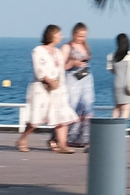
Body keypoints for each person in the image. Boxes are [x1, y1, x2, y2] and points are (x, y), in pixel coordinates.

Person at [20, 25, 75, 153]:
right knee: (37, 117)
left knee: (62, 115)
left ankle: (62, 144)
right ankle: (23, 139)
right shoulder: (38, 51)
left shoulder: (58, 52)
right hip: (41, 88)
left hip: (57, 89)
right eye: (59, 34)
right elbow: (38, 68)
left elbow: (60, 70)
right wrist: (48, 80)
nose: (61, 37)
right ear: (52, 35)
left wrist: (60, 83)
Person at [62, 23, 95, 147]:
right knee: (72, 106)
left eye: (84, 36)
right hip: (73, 79)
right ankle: (65, 137)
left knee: (87, 106)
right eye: (80, 36)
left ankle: (82, 138)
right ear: (74, 34)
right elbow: (62, 67)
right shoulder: (67, 47)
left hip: (86, 78)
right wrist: (73, 63)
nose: (82, 39)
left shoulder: (85, 46)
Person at [106, 33, 130, 121]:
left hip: (117, 84)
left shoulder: (112, 56)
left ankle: (111, 129)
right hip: (128, 85)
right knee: (126, 109)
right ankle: (120, 130)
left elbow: (112, 70)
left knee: (117, 108)